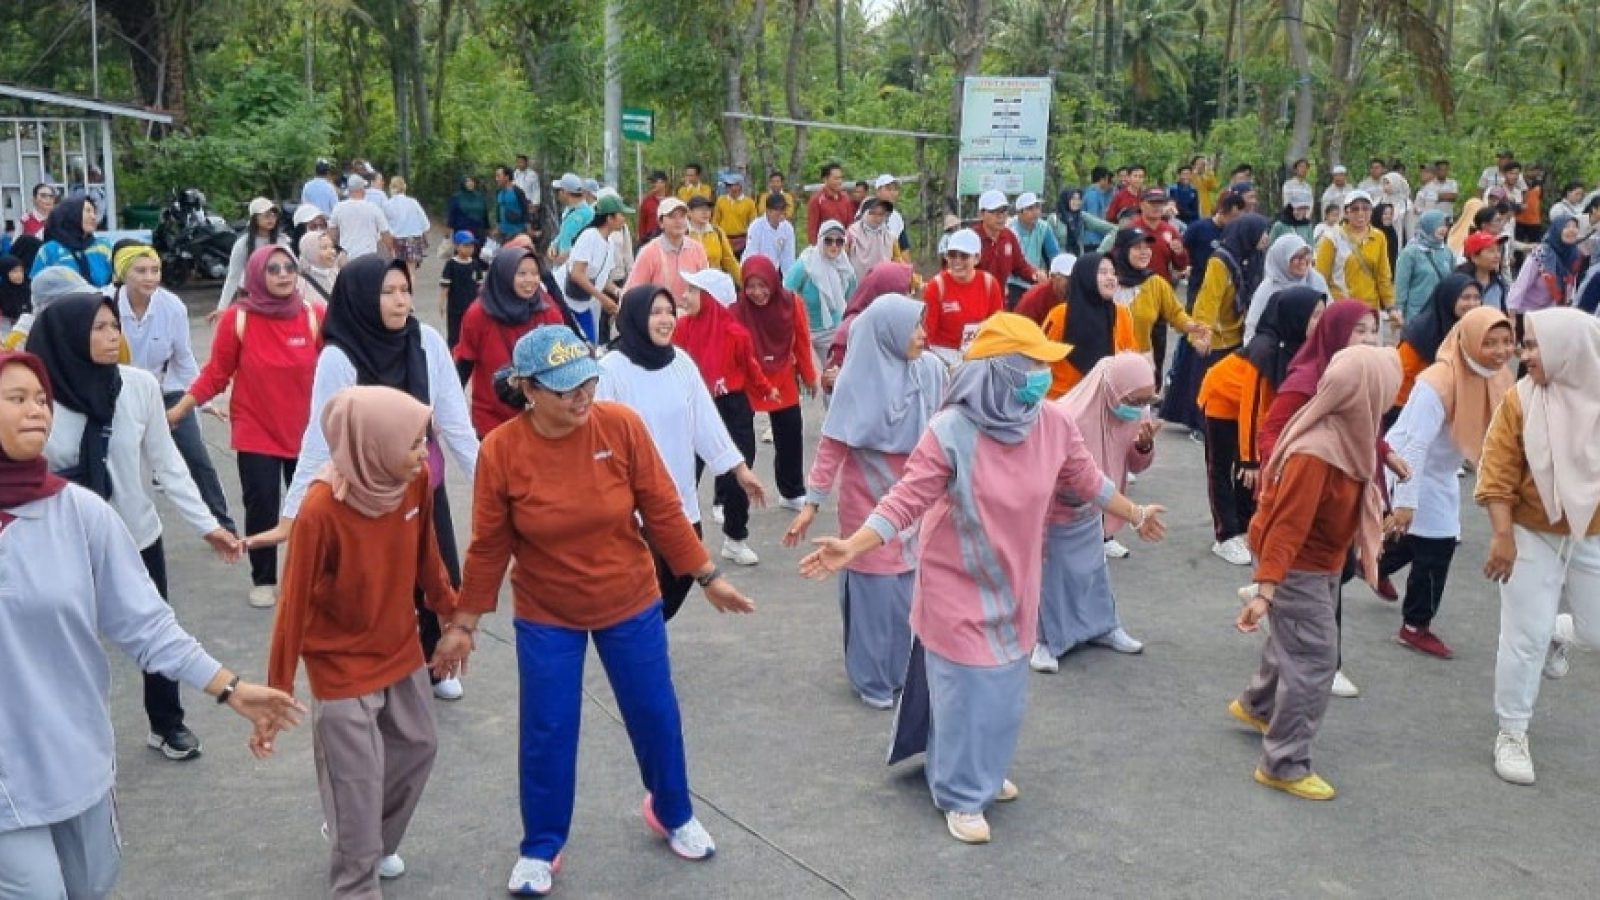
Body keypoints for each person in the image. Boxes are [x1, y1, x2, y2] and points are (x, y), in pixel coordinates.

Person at [799, 313, 1167, 844]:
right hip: (955, 581)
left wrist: (1135, 513)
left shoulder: (1052, 425)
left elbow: (1089, 480)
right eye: (1034, 363)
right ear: (1002, 370)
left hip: (1016, 582)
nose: (1044, 373)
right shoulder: (950, 431)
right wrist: (852, 545)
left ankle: (981, 775)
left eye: (1046, 363)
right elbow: (905, 502)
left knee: (1004, 692)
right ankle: (958, 793)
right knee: (966, 690)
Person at [443, 324, 753, 895]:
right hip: (546, 610)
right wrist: (464, 622)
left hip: (628, 596)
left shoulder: (621, 426)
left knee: (654, 712)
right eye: (566, 390)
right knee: (548, 727)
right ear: (528, 388)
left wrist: (707, 575)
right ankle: (541, 846)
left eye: (587, 381)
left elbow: (663, 509)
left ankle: (673, 811)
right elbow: (489, 544)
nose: (583, 396)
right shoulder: (502, 451)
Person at [0, 351, 303, 897]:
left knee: (91, 885)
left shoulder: (80, 514)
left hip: (74, 755)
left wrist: (228, 686)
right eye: (16, 399)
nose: (37, 411)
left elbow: (146, 623)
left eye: (42, 399)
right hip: (6, 779)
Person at [29, 294, 245, 761]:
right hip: (62, 544)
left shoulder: (139, 386)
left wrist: (207, 525)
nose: (113, 337)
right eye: (99, 328)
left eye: (114, 326)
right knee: (64, 643)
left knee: (156, 627)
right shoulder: (37, 399)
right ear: (67, 337)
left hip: (136, 535)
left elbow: (168, 464)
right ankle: (66, 738)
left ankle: (167, 724)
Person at [265, 385, 455, 897]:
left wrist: (453, 617)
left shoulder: (414, 482)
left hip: (400, 645)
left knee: (419, 746)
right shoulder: (321, 508)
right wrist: (276, 691)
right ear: (375, 443)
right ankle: (355, 880)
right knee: (358, 782)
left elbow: (427, 555)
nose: (424, 453)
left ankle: (365, 837)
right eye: (415, 441)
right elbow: (293, 603)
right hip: (340, 663)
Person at [264, 257, 479, 702]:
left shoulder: (427, 342)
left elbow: (456, 425)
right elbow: (320, 436)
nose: (402, 300)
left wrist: (493, 487)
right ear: (362, 297)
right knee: (377, 587)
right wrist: (292, 513)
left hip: (420, 483)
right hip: (357, 497)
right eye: (388, 292)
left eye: (405, 289)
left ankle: (435, 666)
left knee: (439, 577)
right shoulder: (340, 356)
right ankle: (376, 670)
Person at [1231, 344, 1401, 801]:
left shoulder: (1352, 432)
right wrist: (1265, 593)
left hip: (1320, 562)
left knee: (1293, 642)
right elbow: (1287, 526)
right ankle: (1283, 763)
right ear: (1369, 392)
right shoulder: (1319, 453)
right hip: (1298, 568)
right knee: (1315, 661)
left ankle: (1258, 706)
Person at [783, 294, 948, 708]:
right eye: (915, 327)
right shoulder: (857, 379)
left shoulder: (929, 371)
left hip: (915, 503)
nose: (923, 336)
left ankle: (902, 676)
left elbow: (950, 426)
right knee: (874, 595)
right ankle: (873, 679)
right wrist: (811, 504)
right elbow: (832, 446)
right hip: (867, 507)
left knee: (907, 594)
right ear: (888, 333)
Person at [1478, 307, 1600, 786]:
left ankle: (1560, 631)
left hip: (1590, 533)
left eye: (1534, 346)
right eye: (1524, 345)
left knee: (1595, 632)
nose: (1525, 356)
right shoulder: (1520, 401)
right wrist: (1503, 536)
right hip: (1530, 532)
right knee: (1523, 637)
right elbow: (1497, 473)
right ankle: (1512, 731)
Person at [170, 245, 324, 609]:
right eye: (274, 269)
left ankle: (312, 579)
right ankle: (264, 578)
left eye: (289, 267)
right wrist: (178, 411)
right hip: (257, 431)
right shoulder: (239, 319)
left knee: (313, 510)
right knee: (262, 506)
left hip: (309, 433)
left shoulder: (315, 314)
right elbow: (216, 375)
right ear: (257, 274)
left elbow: (341, 366)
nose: (284, 274)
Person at [598, 284, 767, 615]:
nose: (665, 320)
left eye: (670, 312)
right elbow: (600, 439)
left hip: (679, 500)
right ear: (633, 317)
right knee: (641, 599)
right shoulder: (610, 370)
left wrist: (739, 469)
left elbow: (705, 420)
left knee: (676, 585)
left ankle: (643, 649)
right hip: (631, 510)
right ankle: (642, 657)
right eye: (655, 312)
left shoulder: (681, 363)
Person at [1379, 308, 1515, 664]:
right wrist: (1406, 500)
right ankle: (1414, 626)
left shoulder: (1497, 376)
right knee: (1437, 544)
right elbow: (1414, 444)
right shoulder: (1437, 381)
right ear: (1468, 341)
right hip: (1409, 468)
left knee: (1424, 541)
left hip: (1440, 472)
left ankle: (1371, 564)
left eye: (1506, 341)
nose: (1501, 351)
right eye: (1490, 342)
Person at [1032, 352, 1158, 673]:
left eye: (1147, 399)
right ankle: (1044, 641)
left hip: (1095, 508)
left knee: (1092, 572)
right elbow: (1072, 475)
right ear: (1114, 390)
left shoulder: (1131, 411)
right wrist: (1135, 513)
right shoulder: (1068, 417)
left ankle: (1103, 626)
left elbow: (1132, 464)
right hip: (1056, 509)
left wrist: (1143, 446)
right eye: (1135, 398)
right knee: (1053, 579)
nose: (1140, 406)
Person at [111, 244, 234, 535]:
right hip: (120, 392)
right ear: (122, 273)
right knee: (125, 463)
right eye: (141, 271)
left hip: (167, 390)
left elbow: (184, 358)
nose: (150, 277)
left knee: (196, 457)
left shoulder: (172, 306)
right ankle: (121, 530)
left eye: (155, 270)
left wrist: (201, 400)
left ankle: (222, 524)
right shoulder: (104, 304)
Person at [1199, 288, 1326, 567]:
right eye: (1314, 315)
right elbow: (1252, 406)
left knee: (1250, 475)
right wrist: (1248, 458)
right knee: (1222, 467)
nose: (1320, 321)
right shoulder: (1264, 349)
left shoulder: (1299, 344)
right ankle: (1226, 535)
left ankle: (1245, 526)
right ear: (1296, 316)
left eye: (1321, 314)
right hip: (1222, 396)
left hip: (1253, 411)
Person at [674, 269, 779, 558]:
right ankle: (678, 540)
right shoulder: (681, 329)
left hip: (732, 407)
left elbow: (750, 367)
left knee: (738, 473)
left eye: (693, 291)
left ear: (712, 300)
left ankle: (735, 538)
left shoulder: (736, 334)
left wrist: (766, 388)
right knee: (684, 473)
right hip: (693, 405)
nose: (684, 296)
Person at [455, 247, 571, 438]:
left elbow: (562, 363)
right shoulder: (478, 314)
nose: (530, 280)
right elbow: (464, 364)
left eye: (535, 274)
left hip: (539, 417)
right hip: (491, 418)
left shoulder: (548, 312)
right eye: (522, 273)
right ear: (504, 275)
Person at [737, 255, 817, 508]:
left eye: (763, 286)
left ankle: (792, 491)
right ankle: (731, 496)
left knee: (790, 433)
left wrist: (809, 376)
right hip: (748, 377)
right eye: (751, 286)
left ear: (774, 281)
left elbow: (803, 341)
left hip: (782, 374)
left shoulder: (792, 303)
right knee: (739, 439)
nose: (757, 293)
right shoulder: (736, 309)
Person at [1113, 226, 1208, 387]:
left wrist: (1193, 327)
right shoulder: (1108, 281)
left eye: (1147, 248)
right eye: (1137, 248)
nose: (1145, 252)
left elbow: (1176, 313)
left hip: (1141, 362)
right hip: (1108, 360)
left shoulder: (1155, 283)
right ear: (1122, 251)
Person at [1039, 253, 1136, 398]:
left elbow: (1131, 357)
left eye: (1113, 273)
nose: (1111, 277)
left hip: (1106, 401)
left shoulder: (1121, 313)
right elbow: (1040, 360)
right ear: (1086, 276)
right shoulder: (1060, 315)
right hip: (1064, 402)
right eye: (1103, 272)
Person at [1193, 213, 1271, 367]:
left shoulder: (1255, 257)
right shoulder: (1221, 262)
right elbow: (1209, 299)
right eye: (1262, 233)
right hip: (1216, 338)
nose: (1266, 237)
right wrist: (1202, 334)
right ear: (1248, 233)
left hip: (1239, 333)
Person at [1395, 275, 1482, 408]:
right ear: (1449, 298)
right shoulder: (1421, 332)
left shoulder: (1474, 328)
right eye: (1465, 297)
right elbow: (1401, 377)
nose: (1473, 304)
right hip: (1410, 405)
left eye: (1477, 298)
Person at [1315, 192, 1399, 330]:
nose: (1360, 213)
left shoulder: (1379, 237)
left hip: (1370, 310)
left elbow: (1383, 276)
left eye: (1365, 208)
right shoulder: (1332, 238)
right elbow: (1320, 278)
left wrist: (1391, 307)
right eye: (1355, 209)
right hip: (1342, 309)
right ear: (1346, 212)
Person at [922, 228, 1005, 365]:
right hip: (943, 356)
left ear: (977, 258)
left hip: (978, 354)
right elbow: (926, 334)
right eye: (952, 255)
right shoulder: (937, 286)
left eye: (964, 256)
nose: (957, 261)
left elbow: (997, 328)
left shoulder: (989, 283)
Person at [787, 219, 857, 369]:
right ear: (820, 240)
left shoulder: (845, 269)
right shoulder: (805, 266)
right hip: (806, 332)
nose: (834, 246)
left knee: (833, 380)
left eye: (839, 242)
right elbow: (785, 295)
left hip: (833, 330)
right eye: (829, 240)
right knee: (814, 382)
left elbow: (851, 302)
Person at [561, 194, 630, 344]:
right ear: (609, 218)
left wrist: (618, 292)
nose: (624, 219)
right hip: (570, 303)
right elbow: (577, 274)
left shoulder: (609, 243)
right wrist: (603, 298)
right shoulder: (589, 236)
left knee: (591, 343)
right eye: (621, 215)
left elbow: (601, 278)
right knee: (582, 344)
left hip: (585, 303)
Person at [1244, 234, 1329, 344]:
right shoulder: (1268, 290)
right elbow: (1252, 329)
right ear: (1282, 260)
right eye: (1296, 257)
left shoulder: (1315, 279)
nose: (1303, 261)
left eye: (1306, 255)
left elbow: (1329, 313)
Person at [1506, 216, 1586, 327]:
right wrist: (1511, 316)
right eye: (1566, 227)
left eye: (1575, 227)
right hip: (1527, 314)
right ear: (1557, 230)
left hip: (1552, 314)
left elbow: (1571, 284)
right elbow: (1521, 284)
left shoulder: (1575, 255)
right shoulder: (1541, 254)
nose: (1572, 230)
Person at [625, 198, 709, 301]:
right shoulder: (649, 252)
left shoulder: (697, 249)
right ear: (661, 223)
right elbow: (631, 292)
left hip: (692, 314)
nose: (678, 221)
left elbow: (706, 288)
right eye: (672, 216)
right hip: (661, 314)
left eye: (682, 216)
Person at [973, 191, 1044, 306]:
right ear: (981, 214)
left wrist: (1035, 274)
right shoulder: (972, 238)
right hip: (974, 302)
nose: (1000, 216)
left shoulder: (1008, 236)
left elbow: (1020, 266)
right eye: (994, 211)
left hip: (999, 302)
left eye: (1004, 211)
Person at [217, 197, 289, 310]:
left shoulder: (283, 241)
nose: (270, 219)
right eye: (266, 215)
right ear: (255, 218)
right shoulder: (243, 244)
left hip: (278, 297)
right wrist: (222, 308)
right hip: (250, 298)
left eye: (273, 215)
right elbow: (233, 277)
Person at [30, 197, 112, 287]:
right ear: (72, 214)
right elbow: (37, 287)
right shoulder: (50, 250)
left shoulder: (103, 245)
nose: (93, 217)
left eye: (94, 212)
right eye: (88, 211)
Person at [1393, 210, 1455, 322]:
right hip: (1416, 314)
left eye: (1445, 226)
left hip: (1441, 312)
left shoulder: (1447, 252)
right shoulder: (1410, 252)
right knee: (1413, 339)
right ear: (1429, 225)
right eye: (1439, 225)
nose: (1444, 229)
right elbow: (1401, 285)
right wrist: (1399, 310)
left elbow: (1452, 279)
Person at [1008, 192, 1061, 304]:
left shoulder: (1044, 227)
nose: (1035, 212)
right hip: (1013, 281)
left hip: (1036, 278)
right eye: (1030, 208)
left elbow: (1054, 254)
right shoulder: (1010, 229)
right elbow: (1012, 262)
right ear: (1020, 213)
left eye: (1037, 207)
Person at [328, 176, 394, 261]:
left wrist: (335, 251)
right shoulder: (373, 208)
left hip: (347, 257)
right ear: (363, 190)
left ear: (349, 190)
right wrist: (391, 250)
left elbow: (332, 234)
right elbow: (385, 233)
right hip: (368, 257)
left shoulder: (338, 208)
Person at [686, 195, 742, 286]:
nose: (705, 212)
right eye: (700, 209)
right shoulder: (683, 233)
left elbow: (730, 261)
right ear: (689, 212)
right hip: (691, 285)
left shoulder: (717, 232)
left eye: (708, 209)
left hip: (715, 285)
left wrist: (744, 282)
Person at [384, 176, 432, 275]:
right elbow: (426, 224)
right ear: (404, 187)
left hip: (397, 240)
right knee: (411, 272)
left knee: (398, 271)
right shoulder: (413, 202)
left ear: (391, 188)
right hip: (413, 239)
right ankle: (410, 290)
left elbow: (385, 225)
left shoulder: (388, 204)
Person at [1014, 252, 1076, 325]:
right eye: (1068, 278)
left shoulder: (1079, 295)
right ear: (1053, 277)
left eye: (1075, 278)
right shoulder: (1035, 299)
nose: (1072, 282)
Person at [742, 191, 796, 272]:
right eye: (778, 209)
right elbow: (752, 254)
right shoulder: (756, 226)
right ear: (768, 211)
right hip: (753, 268)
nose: (782, 212)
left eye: (783, 209)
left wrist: (788, 282)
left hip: (774, 269)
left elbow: (788, 257)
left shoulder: (788, 228)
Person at [1458, 230, 1510, 312]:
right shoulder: (1458, 284)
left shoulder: (1499, 283)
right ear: (1474, 257)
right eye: (1491, 251)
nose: (1497, 256)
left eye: (1498, 250)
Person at [845, 199, 897, 281]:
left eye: (881, 214)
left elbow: (897, 260)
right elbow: (842, 259)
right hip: (856, 285)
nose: (878, 217)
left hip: (882, 284)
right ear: (864, 213)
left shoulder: (889, 236)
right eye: (873, 213)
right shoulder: (852, 234)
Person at [807, 163, 857, 245]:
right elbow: (812, 229)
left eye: (841, 178)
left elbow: (850, 226)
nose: (840, 181)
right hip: (823, 246)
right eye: (836, 178)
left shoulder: (846, 199)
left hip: (842, 245)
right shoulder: (816, 200)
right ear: (825, 179)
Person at [712, 174, 758, 256]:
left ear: (740, 186)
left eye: (731, 185)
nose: (728, 188)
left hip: (742, 240)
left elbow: (753, 224)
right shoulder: (721, 200)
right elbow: (715, 220)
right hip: (723, 239)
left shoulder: (749, 203)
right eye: (727, 185)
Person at [494, 165, 534, 242]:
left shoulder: (518, 192)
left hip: (517, 232)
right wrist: (497, 227)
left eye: (498, 176)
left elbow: (525, 210)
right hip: (503, 232)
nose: (496, 179)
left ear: (507, 177)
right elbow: (498, 210)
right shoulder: (499, 192)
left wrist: (529, 229)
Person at [447, 176, 490, 245]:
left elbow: (485, 214)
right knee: (463, 253)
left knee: (478, 252)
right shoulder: (456, 197)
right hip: (462, 231)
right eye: (467, 181)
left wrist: (487, 229)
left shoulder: (480, 197)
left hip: (478, 231)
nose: (470, 183)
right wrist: (448, 232)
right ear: (463, 183)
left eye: (472, 181)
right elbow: (452, 215)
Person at [0, 252, 29, 336]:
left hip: (27, 328)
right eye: (14, 271)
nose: (19, 275)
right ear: (5, 273)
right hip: (8, 331)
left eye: (21, 271)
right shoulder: (2, 292)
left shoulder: (28, 288)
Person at [637, 171, 669, 241]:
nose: (652, 184)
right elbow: (642, 224)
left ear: (664, 183)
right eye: (651, 182)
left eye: (655, 182)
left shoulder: (671, 201)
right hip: (650, 240)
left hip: (668, 239)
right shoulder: (646, 202)